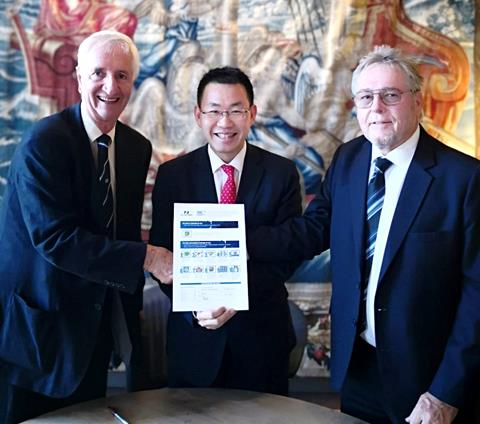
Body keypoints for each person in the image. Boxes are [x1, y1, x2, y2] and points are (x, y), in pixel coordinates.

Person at [247, 46, 480, 423]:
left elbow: (477, 299)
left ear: (417, 101)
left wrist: (445, 392)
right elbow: (312, 230)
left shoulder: (464, 180)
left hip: (428, 381)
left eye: (391, 95)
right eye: (366, 97)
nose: (377, 108)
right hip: (358, 369)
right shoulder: (348, 159)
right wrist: (237, 242)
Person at [0, 30, 172, 423]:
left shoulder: (135, 147)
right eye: (99, 73)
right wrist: (149, 257)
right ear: (78, 77)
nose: (111, 86)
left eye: (123, 75)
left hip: (93, 329)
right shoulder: (45, 141)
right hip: (39, 333)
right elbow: (56, 239)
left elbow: (121, 234)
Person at [149, 66, 302, 395]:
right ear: (198, 115)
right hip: (194, 342)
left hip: (262, 340)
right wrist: (196, 305)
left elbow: (288, 253)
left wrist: (236, 297)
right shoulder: (173, 176)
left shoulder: (282, 173)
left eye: (235, 110)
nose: (225, 122)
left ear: (252, 114)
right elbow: (163, 257)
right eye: (215, 111)